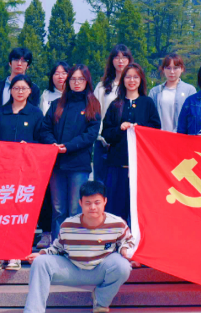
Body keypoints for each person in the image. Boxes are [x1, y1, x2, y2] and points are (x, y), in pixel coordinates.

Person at [17, 179, 136, 313]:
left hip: (100, 269)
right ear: (80, 203)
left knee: (123, 266)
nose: (92, 207)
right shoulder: (68, 225)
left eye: (97, 202)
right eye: (88, 203)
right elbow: (57, 247)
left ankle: (100, 299)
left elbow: (128, 241)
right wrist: (42, 253)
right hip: (72, 269)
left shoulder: (117, 224)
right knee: (40, 262)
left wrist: (124, 250)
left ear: (105, 202)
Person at [0, 74, 53, 270]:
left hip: (25, 172)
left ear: (30, 91)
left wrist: (29, 145)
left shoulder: (35, 114)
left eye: (24, 88)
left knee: (21, 212)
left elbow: (42, 140)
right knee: (0, 212)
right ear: (10, 91)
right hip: (1, 171)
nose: (20, 92)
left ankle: (16, 253)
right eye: (16, 88)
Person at [100, 63, 160, 221]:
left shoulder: (147, 103)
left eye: (135, 77)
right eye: (128, 77)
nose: (131, 80)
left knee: (139, 210)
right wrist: (120, 128)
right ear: (123, 80)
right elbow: (106, 133)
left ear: (141, 80)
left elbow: (156, 129)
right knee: (116, 208)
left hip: (141, 166)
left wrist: (140, 128)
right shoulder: (116, 104)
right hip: (117, 165)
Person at [46, 65, 102, 221]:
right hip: (57, 163)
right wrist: (53, 144)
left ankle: (74, 237)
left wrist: (68, 147)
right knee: (58, 209)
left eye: (81, 79)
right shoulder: (57, 104)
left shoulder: (92, 105)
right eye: (73, 79)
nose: (77, 83)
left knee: (75, 210)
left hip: (78, 164)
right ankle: (57, 237)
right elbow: (45, 128)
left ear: (87, 81)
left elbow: (90, 134)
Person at [93, 46, 132, 189]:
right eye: (117, 57)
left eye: (124, 57)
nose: (120, 61)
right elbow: (95, 114)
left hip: (125, 143)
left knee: (120, 186)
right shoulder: (102, 86)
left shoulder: (133, 85)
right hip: (103, 142)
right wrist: (101, 137)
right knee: (100, 184)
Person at [151, 53, 197, 132]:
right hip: (159, 136)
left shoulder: (190, 90)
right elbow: (150, 116)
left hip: (181, 136)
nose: (172, 72)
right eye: (168, 68)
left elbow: (193, 117)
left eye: (175, 68)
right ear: (163, 69)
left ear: (182, 69)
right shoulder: (155, 91)